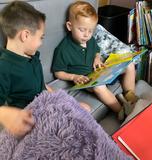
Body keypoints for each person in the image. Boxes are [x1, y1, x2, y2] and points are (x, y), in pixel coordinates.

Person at [0, 1, 90, 137]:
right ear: (25, 35)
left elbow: (41, 85)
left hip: (46, 103)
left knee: (85, 109)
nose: (41, 43)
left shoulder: (32, 55)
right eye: (41, 37)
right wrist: (5, 114)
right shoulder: (4, 67)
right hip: (30, 118)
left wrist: (67, 101)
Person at [51, 1, 138, 121]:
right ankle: (121, 111)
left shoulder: (90, 40)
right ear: (70, 26)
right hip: (88, 79)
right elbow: (58, 72)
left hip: (100, 70)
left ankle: (130, 95)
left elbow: (97, 50)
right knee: (99, 87)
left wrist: (97, 58)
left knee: (130, 65)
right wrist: (73, 77)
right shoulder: (63, 49)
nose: (87, 35)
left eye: (90, 31)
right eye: (82, 30)